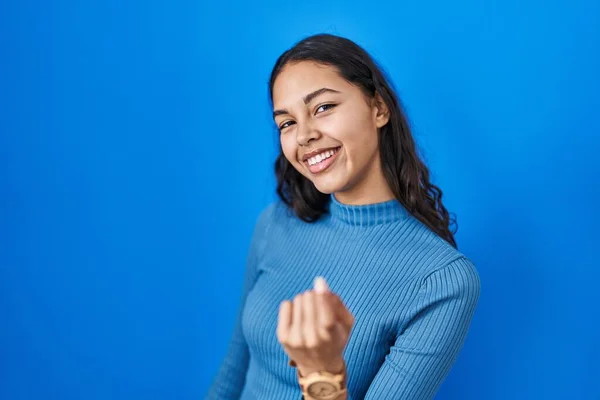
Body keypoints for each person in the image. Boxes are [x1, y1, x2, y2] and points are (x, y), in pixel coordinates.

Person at [205, 33, 481, 400]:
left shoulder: (444, 282)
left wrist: (323, 374)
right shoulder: (275, 224)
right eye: (287, 123)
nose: (304, 135)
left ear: (379, 108)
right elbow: (233, 370)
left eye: (322, 108)